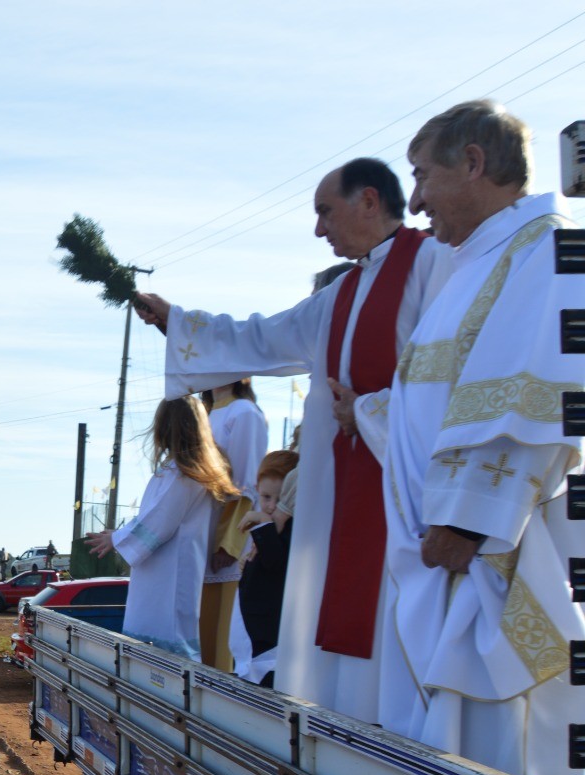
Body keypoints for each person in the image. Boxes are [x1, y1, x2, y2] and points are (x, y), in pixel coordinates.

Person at [133, 158, 455, 720]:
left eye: (325, 213)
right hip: (342, 500)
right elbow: (265, 336)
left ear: (369, 201)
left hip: (402, 501)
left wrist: (372, 411)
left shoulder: (434, 266)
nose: (318, 229)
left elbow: (455, 383)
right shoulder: (344, 292)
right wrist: (177, 321)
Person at [374, 100, 584, 775]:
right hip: (445, 553)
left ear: (473, 163)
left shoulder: (549, 246)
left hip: (491, 552)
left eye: (422, 175)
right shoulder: (475, 258)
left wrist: (468, 517)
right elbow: (443, 395)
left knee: (493, 756)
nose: (416, 199)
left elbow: (537, 391)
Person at [85, 397, 240, 660]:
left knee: (170, 641)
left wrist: (118, 537)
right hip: (167, 565)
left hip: (171, 569)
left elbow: (160, 519)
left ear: (165, 428)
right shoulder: (186, 470)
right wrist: (119, 537)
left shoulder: (184, 473)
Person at [200, 381, 267, 670]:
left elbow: (244, 484)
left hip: (222, 550)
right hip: (197, 540)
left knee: (219, 646)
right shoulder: (203, 412)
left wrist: (229, 542)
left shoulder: (244, 413)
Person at [237, 450, 299, 686]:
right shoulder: (270, 527)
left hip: (272, 636)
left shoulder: (289, 528)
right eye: (266, 497)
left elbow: (276, 561)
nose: (272, 506)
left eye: (280, 499)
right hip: (254, 631)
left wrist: (263, 522)